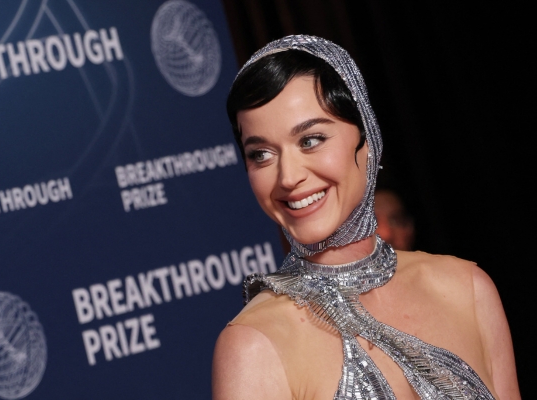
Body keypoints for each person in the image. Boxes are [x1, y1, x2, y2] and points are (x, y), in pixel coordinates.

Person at [212, 35, 520, 399]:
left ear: (367, 138)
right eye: (261, 154)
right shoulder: (253, 346)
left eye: (310, 140)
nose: (288, 177)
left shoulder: (467, 289)